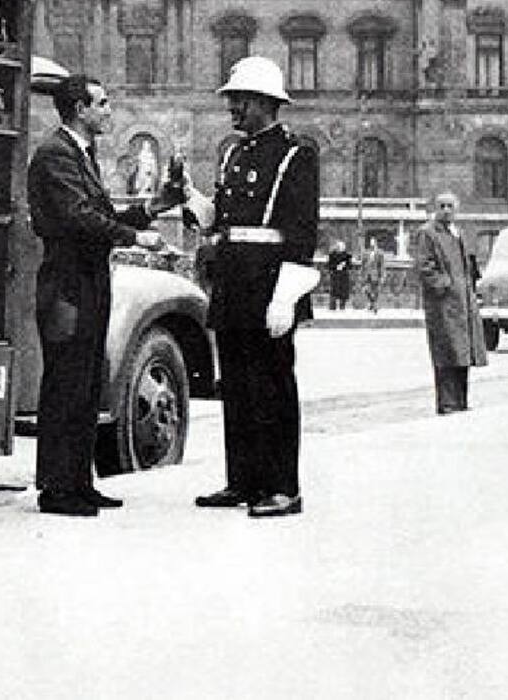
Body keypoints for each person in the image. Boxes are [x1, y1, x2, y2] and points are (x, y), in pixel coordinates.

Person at [26, 74, 181, 517]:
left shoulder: (78, 154)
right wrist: (138, 238)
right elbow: (79, 219)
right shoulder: (57, 155)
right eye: (103, 103)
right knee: (66, 383)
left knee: (88, 380)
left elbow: (102, 213)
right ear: (80, 108)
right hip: (67, 285)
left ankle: (79, 482)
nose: (110, 111)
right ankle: (57, 490)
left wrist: (155, 207)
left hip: (86, 282)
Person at [185, 57, 319, 518]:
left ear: (265, 103)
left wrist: (286, 295)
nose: (232, 109)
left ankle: (283, 487)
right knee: (238, 385)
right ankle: (242, 480)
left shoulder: (295, 155)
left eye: (239, 101)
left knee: (273, 385)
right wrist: (189, 197)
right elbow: (221, 222)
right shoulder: (232, 153)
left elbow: (301, 233)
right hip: (233, 281)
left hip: (269, 282)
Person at [414, 192, 488, 414]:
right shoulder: (428, 233)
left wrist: (470, 290)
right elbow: (424, 266)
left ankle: (461, 400)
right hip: (443, 304)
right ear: (435, 208)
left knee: (463, 352)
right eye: (442, 206)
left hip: (463, 302)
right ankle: (447, 402)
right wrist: (443, 285)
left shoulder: (458, 233)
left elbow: (468, 265)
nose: (446, 210)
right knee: (446, 351)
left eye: (450, 206)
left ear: (456, 209)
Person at [326, 240, 352, 310]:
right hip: (335, 275)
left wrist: (344, 265)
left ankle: (342, 306)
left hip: (344, 276)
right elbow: (329, 265)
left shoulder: (347, 256)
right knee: (334, 292)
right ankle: (332, 307)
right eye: (339, 247)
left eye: (343, 247)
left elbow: (350, 266)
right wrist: (336, 266)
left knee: (343, 292)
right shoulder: (332, 255)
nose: (341, 248)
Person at [363, 237, 386, 313]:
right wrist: (362, 273)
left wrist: (382, 275)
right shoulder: (366, 253)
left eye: (373, 242)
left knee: (375, 290)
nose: (372, 244)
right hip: (367, 274)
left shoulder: (380, 253)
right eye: (370, 243)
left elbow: (382, 265)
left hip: (376, 274)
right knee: (366, 289)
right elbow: (363, 264)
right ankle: (372, 303)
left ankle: (374, 304)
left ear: (376, 243)